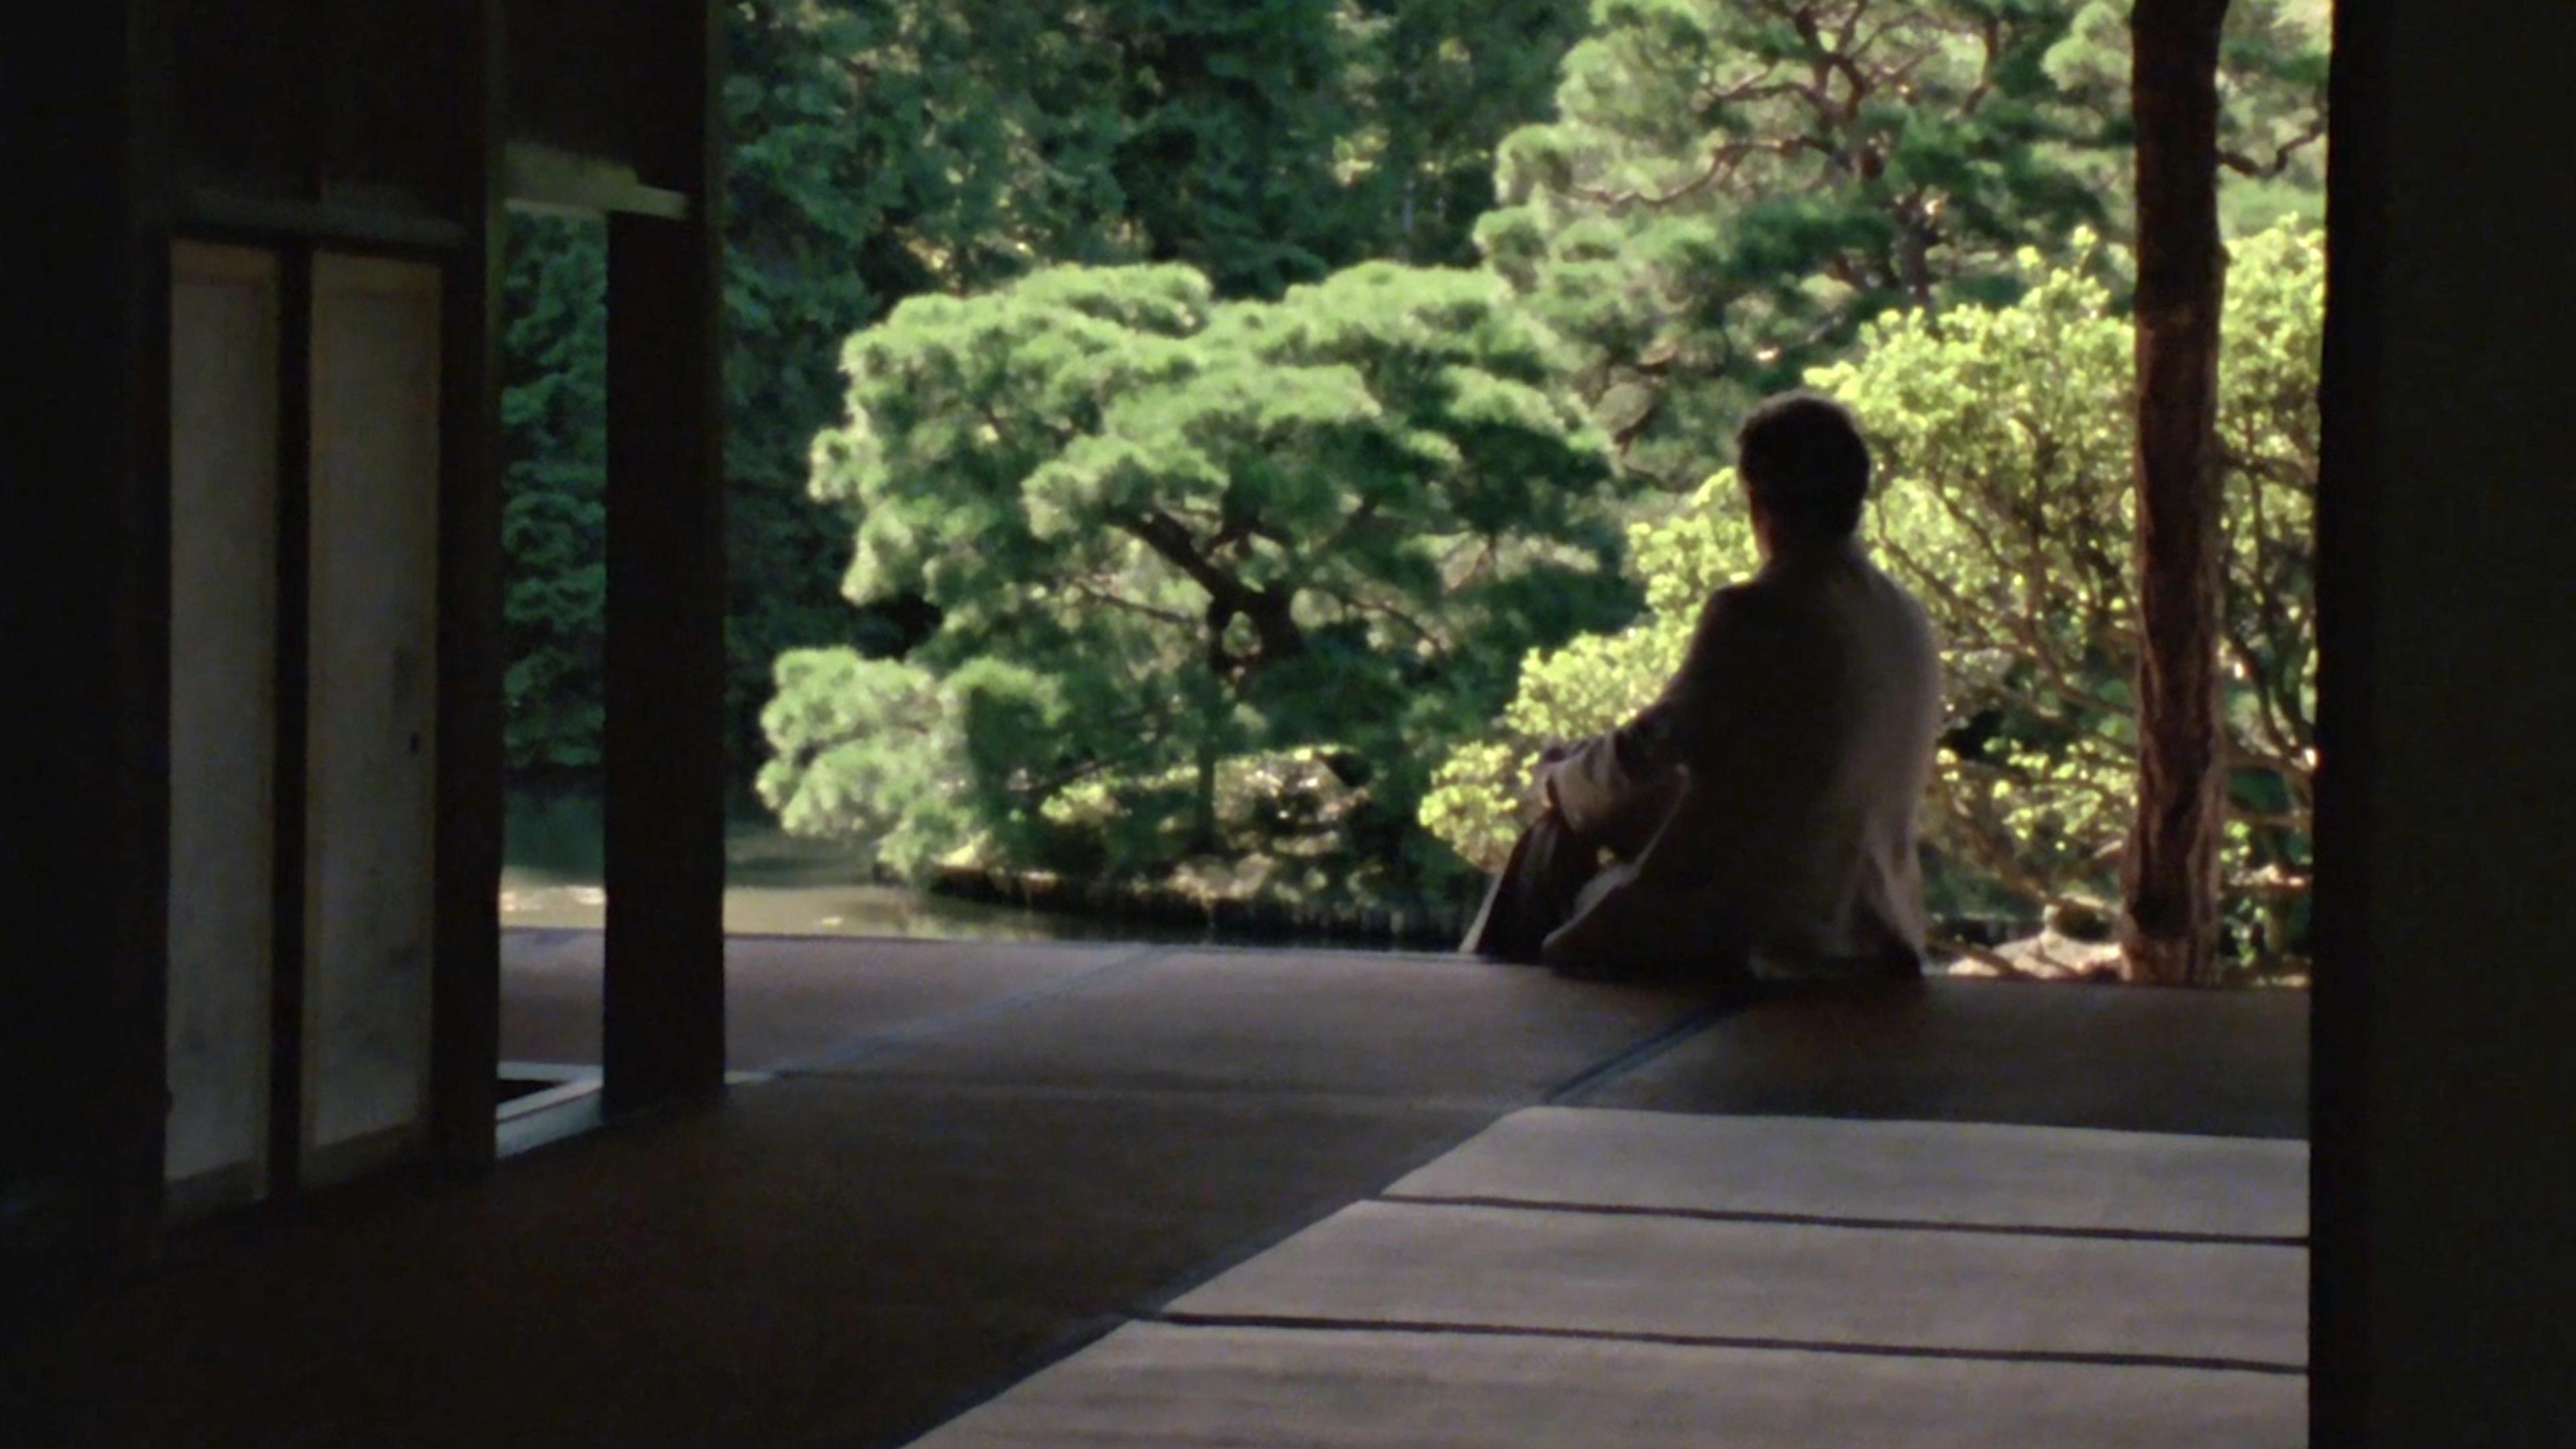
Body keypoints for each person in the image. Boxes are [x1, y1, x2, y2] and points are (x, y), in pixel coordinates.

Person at [1462, 390, 1944, 986]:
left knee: (1554, 839)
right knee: (1590, 813)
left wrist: (1559, 780)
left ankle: (1489, 1014)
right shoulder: (1904, 615)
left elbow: (1648, 750)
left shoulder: (1759, 612)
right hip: (1872, 926)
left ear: (1757, 503)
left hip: (1762, 930)